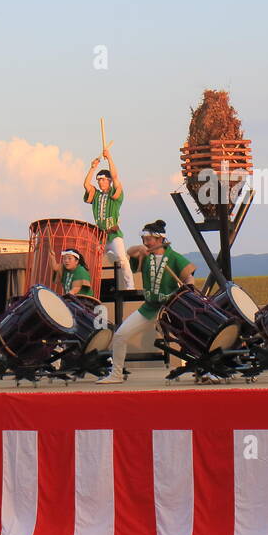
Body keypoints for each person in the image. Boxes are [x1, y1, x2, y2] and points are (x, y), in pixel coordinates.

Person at [97, 220, 195, 384]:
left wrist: (189, 290)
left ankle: (204, 370)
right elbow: (129, 252)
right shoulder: (145, 255)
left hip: (170, 309)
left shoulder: (174, 257)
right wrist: (140, 248)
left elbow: (189, 277)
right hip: (149, 308)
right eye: (144, 239)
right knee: (121, 335)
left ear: (159, 239)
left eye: (148, 239)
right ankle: (116, 374)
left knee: (190, 337)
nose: (145, 242)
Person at [83, 145, 134, 290]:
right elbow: (86, 185)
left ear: (109, 181)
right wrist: (92, 168)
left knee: (123, 260)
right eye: (99, 180)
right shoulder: (97, 195)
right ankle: (91, 288)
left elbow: (116, 177)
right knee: (92, 262)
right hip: (99, 236)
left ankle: (130, 286)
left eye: (104, 180)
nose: (101, 182)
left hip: (113, 234)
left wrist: (109, 157)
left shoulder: (115, 195)